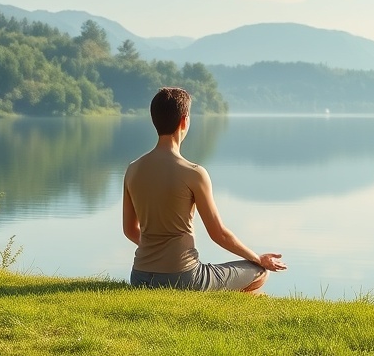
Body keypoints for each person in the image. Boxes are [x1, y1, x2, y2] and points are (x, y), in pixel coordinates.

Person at [123, 87, 287, 292]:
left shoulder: (133, 169)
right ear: (184, 121)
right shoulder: (194, 173)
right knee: (259, 273)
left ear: (154, 120)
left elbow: (129, 230)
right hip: (183, 278)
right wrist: (258, 258)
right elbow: (218, 233)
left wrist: (156, 253)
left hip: (139, 277)